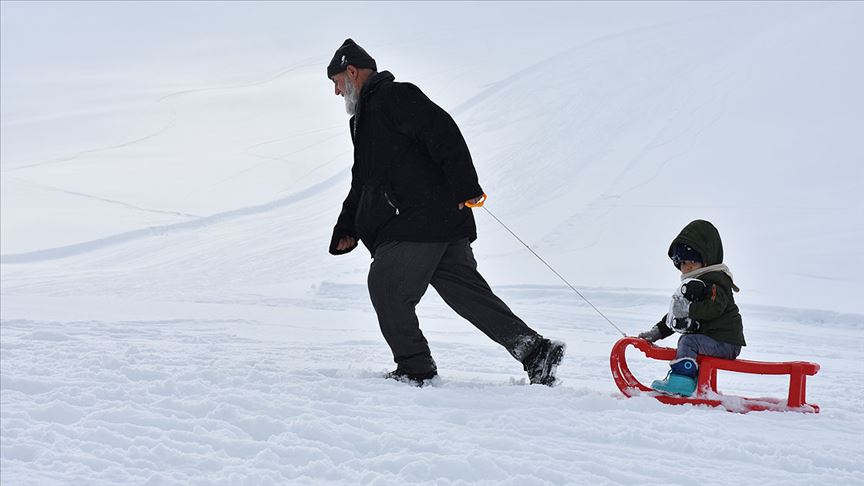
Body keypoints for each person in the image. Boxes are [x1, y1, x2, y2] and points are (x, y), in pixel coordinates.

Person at [326, 38, 565, 386]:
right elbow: (362, 180)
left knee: (386, 284)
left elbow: (443, 130)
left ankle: (415, 368)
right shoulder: (361, 122)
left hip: (424, 215)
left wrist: (465, 185)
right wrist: (347, 225)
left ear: (352, 72)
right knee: (466, 292)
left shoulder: (394, 96)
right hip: (436, 220)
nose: (336, 93)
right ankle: (534, 350)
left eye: (336, 83)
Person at [638, 219, 746, 396]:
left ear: (706, 261)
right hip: (713, 340)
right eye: (682, 263)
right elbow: (678, 314)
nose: (686, 267)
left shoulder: (715, 281)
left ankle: (683, 381)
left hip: (726, 342)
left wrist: (688, 310)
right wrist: (657, 332)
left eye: (692, 262)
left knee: (689, 341)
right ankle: (687, 380)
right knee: (690, 339)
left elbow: (713, 308)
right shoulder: (695, 284)